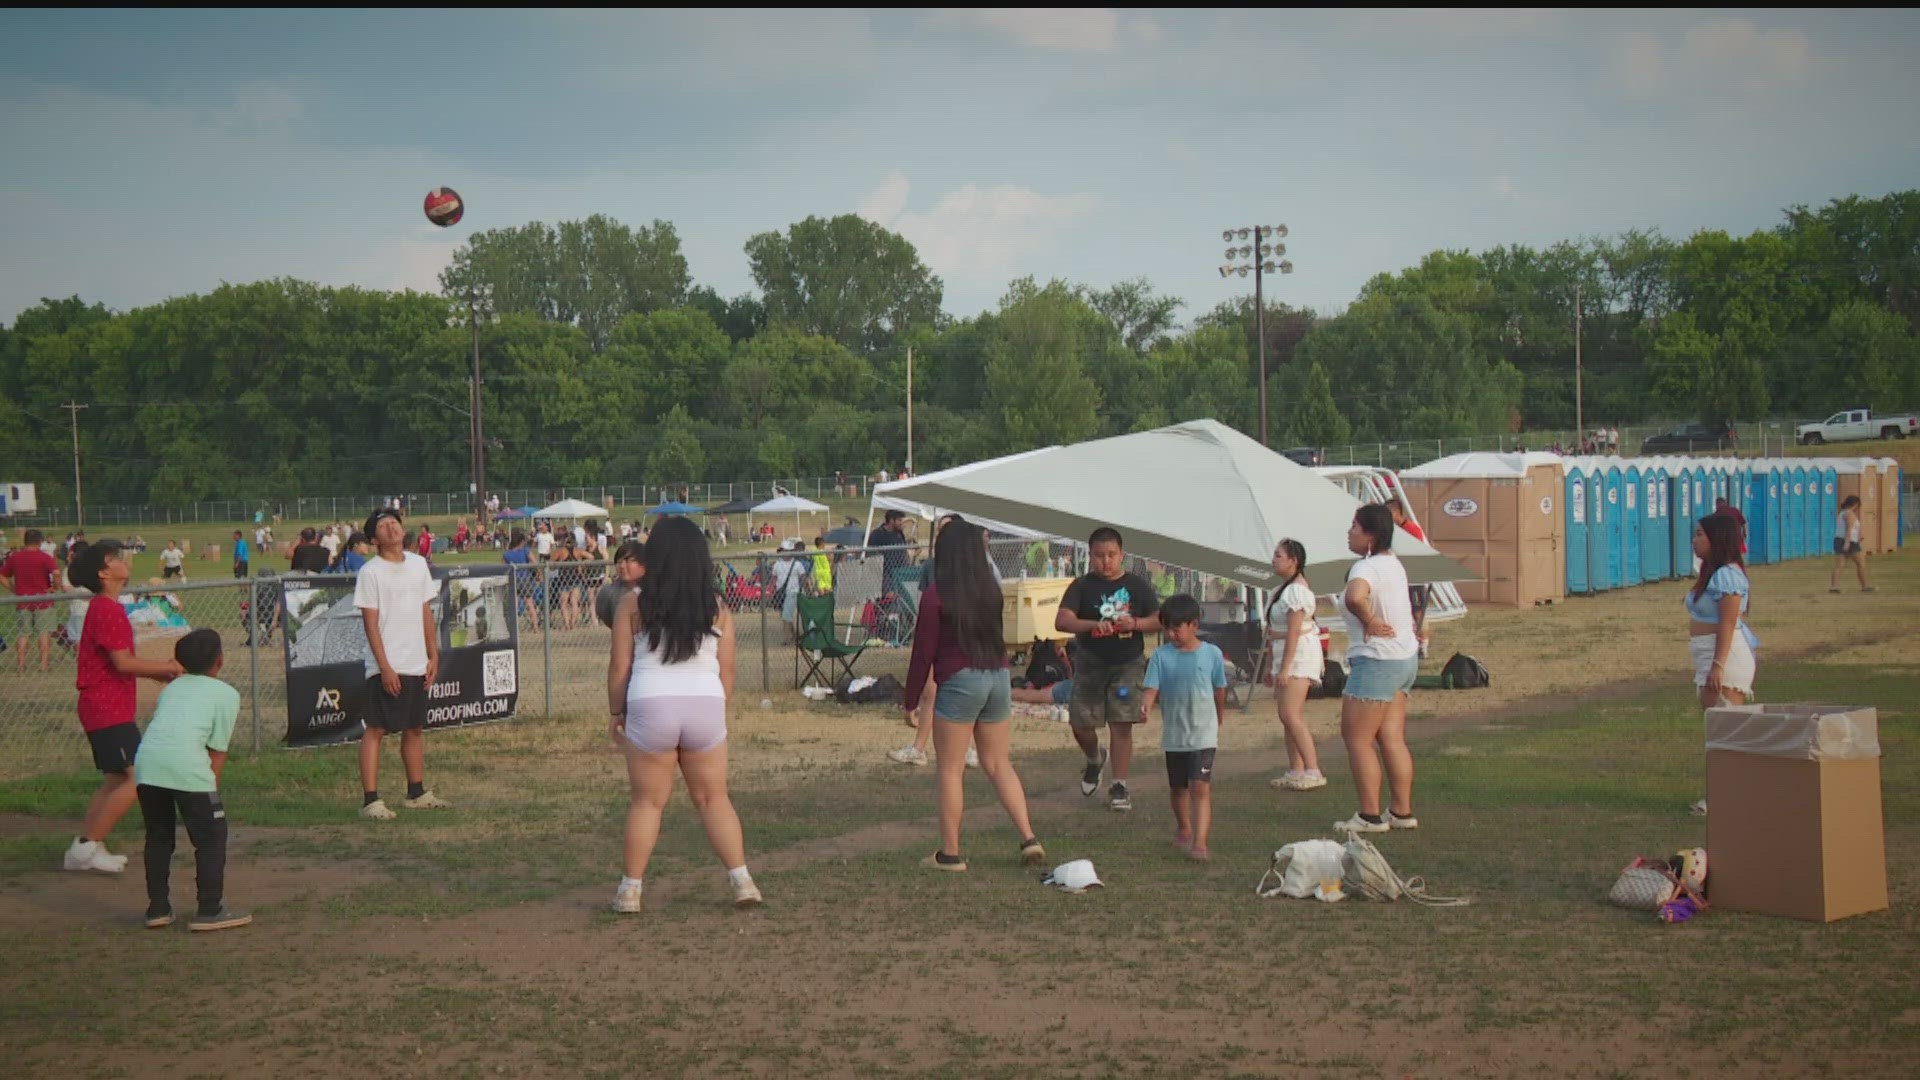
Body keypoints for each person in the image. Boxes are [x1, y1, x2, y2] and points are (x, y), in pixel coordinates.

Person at [605, 516, 762, 912]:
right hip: (704, 703)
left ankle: (630, 890)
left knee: (647, 803)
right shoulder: (718, 608)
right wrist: (713, 710)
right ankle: (742, 881)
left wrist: (615, 712)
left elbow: (619, 667)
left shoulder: (632, 605)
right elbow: (727, 674)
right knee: (714, 799)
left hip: (650, 702)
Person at [903, 518, 1044, 872]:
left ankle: (950, 854)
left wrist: (911, 700)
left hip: (960, 680)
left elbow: (923, 653)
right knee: (998, 763)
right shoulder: (991, 591)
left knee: (950, 769)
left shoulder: (936, 596)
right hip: (997, 676)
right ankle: (1029, 838)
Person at [66, 540, 185, 873]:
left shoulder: (106, 607)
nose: (123, 561)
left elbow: (121, 663)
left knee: (116, 779)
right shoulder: (108, 608)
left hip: (105, 706)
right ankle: (86, 849)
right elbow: (122, 663)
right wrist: (166, 668)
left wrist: (162, 672)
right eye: (114, 559)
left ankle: (85, 848)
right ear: (104, 573)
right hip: (106, 707)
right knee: (139, 776)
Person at [133, 629, 249, 931]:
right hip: (187, 767)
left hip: (147, 764)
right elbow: (218, 750)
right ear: (220, 661)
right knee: (211, 837)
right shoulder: (226, 694)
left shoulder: (172, 688)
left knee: (158, 836)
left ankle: (157, 908)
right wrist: (211, 794)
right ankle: (210, 910)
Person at [1055, 527, 1162, 812]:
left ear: (1122, 555)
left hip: (1127, 663)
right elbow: (1063, 621)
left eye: (1112, 555)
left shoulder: (1137, 586)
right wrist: (1092, 626)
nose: (1106, 561)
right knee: (1080, 722)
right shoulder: (1081, 586)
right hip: (1090, 662)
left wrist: (1135, 624)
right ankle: (1094, 758)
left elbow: (1159, 619)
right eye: (1100, 556)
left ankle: (1119, 785)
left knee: (1121, 722)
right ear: (1090, 556)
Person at [353, 508, 449, 820]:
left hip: (416, 661)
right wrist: (385, 667)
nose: (392, 528)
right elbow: (370, 624)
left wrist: (432, 654)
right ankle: (371, 800)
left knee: (414, 727)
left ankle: (416, 792)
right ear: (374, 539)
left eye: (394, 522)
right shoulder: (371, 573)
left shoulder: (419, 564)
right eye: (383, 526)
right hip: (387, 664)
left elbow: (425, 612)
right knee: (376, 729)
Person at [1334, 504, 1420, 835]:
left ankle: (1369, 816)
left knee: (1357, 737)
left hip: (1377, 661)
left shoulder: (1364, 568)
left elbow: (1356, 597)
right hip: (1404, 659)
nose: (1349, 531)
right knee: (1391, 738)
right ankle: (1401, 811)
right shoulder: (1394, 564)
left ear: (1370, 535)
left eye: (1354, 526)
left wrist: (1370, 621)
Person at [1138, 594, 1227, 861]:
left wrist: (1219, 717)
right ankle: (1184, 827)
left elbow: (1219, 689)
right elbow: (1151, 689)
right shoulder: (1160, 657)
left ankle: (1200, 842)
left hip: (1203, 733)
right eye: (1166, 628)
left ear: (1194, 625)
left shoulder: (1212, 654)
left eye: (1176, 628)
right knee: (1178, 788)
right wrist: (1145, 706)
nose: (1171, 634)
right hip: (1175, 735)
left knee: (1200, 787)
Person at [1264, 538, 1327, 791]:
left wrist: (1285, 668)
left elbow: (1293, 631)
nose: (1274, 559)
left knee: (1290, 713)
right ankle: (1296, 769)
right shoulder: (1281, 590)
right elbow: (1273, 631)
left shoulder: (1296, 591)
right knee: (1286, 716)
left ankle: (1313, 770)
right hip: (1284, 653)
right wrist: (1272, 665)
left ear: (1294, 561)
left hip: (1299, 655)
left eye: (1279, 555)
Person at [1688, 513, 1758, 711]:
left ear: (1716, 537)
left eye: (1700, 534)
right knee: (1717, 726)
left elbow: (1728, 622)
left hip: (1725, 659)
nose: (1694, 540)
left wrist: (1718, 665)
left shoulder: (1727, 575)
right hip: (1707, 655)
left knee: (1726, 727)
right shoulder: (1711, 572)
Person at [2, 528, 60, 674]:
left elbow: (2, 575)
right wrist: (55, 587)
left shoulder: (15, 557)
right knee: (44, 632)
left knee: (23, 633)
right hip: (43, 600)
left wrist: (14, 589)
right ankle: (43, 664)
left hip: (23, 600)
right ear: (40, 541)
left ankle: (21, 665)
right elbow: (56, 573)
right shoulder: (44, 557)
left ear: (25, 541)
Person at [1830, 495, 1871, 593]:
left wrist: (1858, 534)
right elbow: (1849, 528)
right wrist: (1847, 542)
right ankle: (1865, 586)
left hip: (1838, 540)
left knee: (1840, 564)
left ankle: (1834, 587)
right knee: (1861, 563)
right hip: (1849, 541)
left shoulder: (1842, 513)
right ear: (1855, 504)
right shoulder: (1850, 514)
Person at [865, 509, 911, 579]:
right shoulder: (878, 534)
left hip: (900, 573)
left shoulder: (899, 533)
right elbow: (870, 554)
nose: (902, 523)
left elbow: (904, 551)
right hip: (884, 575)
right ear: (891, 520)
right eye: (899, 520)